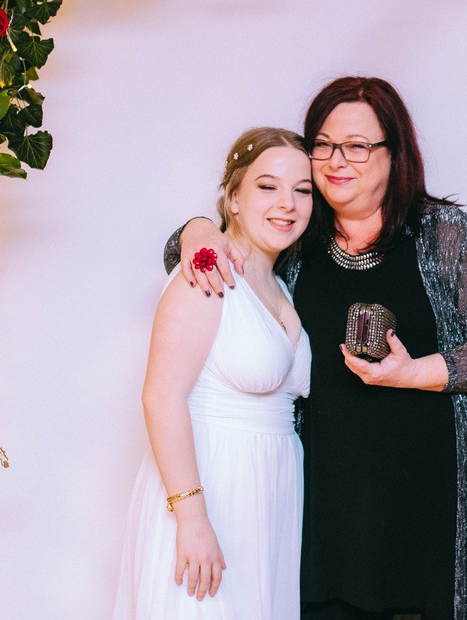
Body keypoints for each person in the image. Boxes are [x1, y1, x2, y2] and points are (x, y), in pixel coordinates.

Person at [167, 77, 467, 620]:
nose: (337, 161)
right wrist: (198, 229)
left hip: (437, 501)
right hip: (331, 510)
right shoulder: (296, 235)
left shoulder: (442, 233)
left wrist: (415, 373)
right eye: (324, 144)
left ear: (394, 154)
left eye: (358, 146)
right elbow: (210, 253)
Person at [113, 127, 313, 619]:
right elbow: (161, 397)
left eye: (302, 190)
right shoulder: (206, 273)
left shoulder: (280, 285)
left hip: (266, 497)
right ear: (234, 198)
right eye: (267, 186)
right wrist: (193, 518)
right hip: (213, 487)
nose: (287, 204)